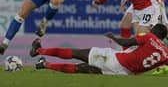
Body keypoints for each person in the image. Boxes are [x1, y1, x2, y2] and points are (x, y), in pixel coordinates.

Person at [29, 24, 168, 75]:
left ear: (154, 30)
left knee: (76, 53)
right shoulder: (166, 54)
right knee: (80, 69)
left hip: (115, 59)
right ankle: (45, 65)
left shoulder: (149, 37)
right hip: (123, 74)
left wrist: (114, 38)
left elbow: (126, 41)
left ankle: (40, 51)